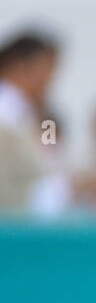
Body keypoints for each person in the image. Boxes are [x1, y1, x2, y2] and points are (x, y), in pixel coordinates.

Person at [0, 29, 71, 216]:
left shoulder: (35, 115)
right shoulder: (7, 116)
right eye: (48, 68)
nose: (52, 79)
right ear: (21, 66)